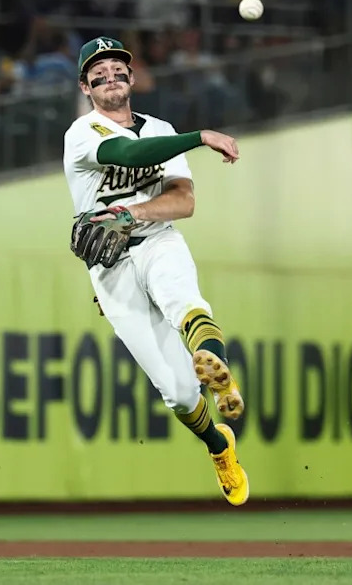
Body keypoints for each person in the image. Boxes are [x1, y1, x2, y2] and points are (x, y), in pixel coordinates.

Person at [62, 37, 249, 506]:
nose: (109, 76)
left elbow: (183, 201)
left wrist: (133, 214)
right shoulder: (83, 133)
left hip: (157, 240)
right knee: (180, 395)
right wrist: (201, 136)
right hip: (110, 268)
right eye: (97, 72)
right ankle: (218, 445)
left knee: (183, 300)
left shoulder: (160, 128)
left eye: (117, 67)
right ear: (86, 86)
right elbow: (129, 155)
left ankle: (218, 368)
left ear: (131, 75)